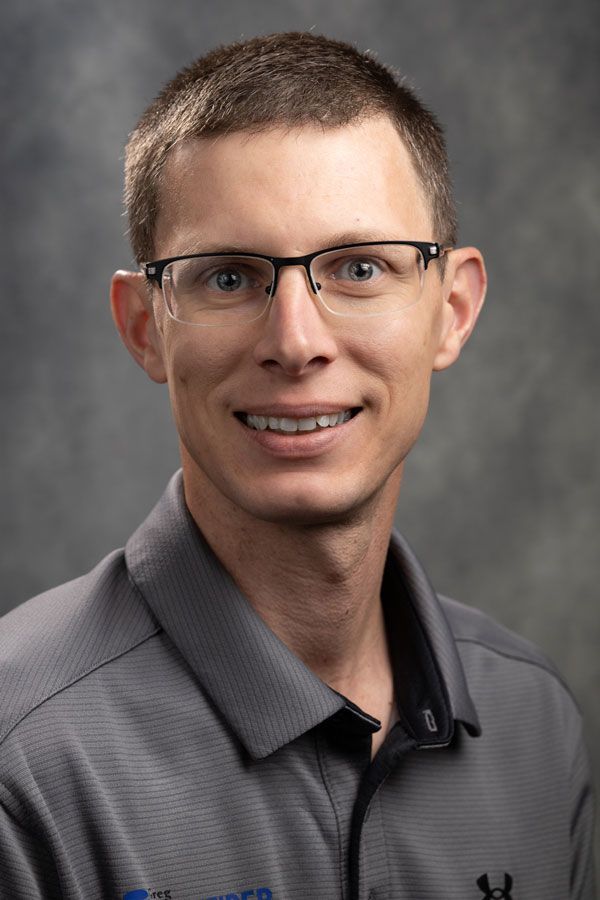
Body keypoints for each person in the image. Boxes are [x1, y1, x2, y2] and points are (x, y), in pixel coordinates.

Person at [0, 31, 594, 900]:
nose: (296, 342)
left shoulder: (536, 725)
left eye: (359, 268)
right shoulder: (22, 763)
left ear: (452, 311)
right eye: (230, 279)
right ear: (143, 326)